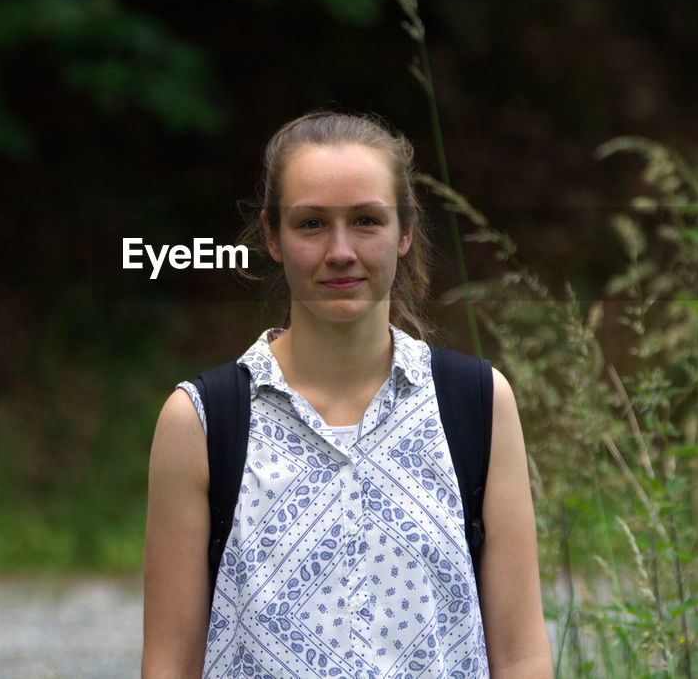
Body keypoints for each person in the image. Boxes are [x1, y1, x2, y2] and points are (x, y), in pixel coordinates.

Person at [142, 110, 552, 678]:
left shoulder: (477, 404)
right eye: (312, 224)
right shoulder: (203, 422)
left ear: (405, 231)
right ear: (272, 236)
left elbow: (522, 655)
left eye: (365, 221)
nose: (340, 250)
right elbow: (169, 665)